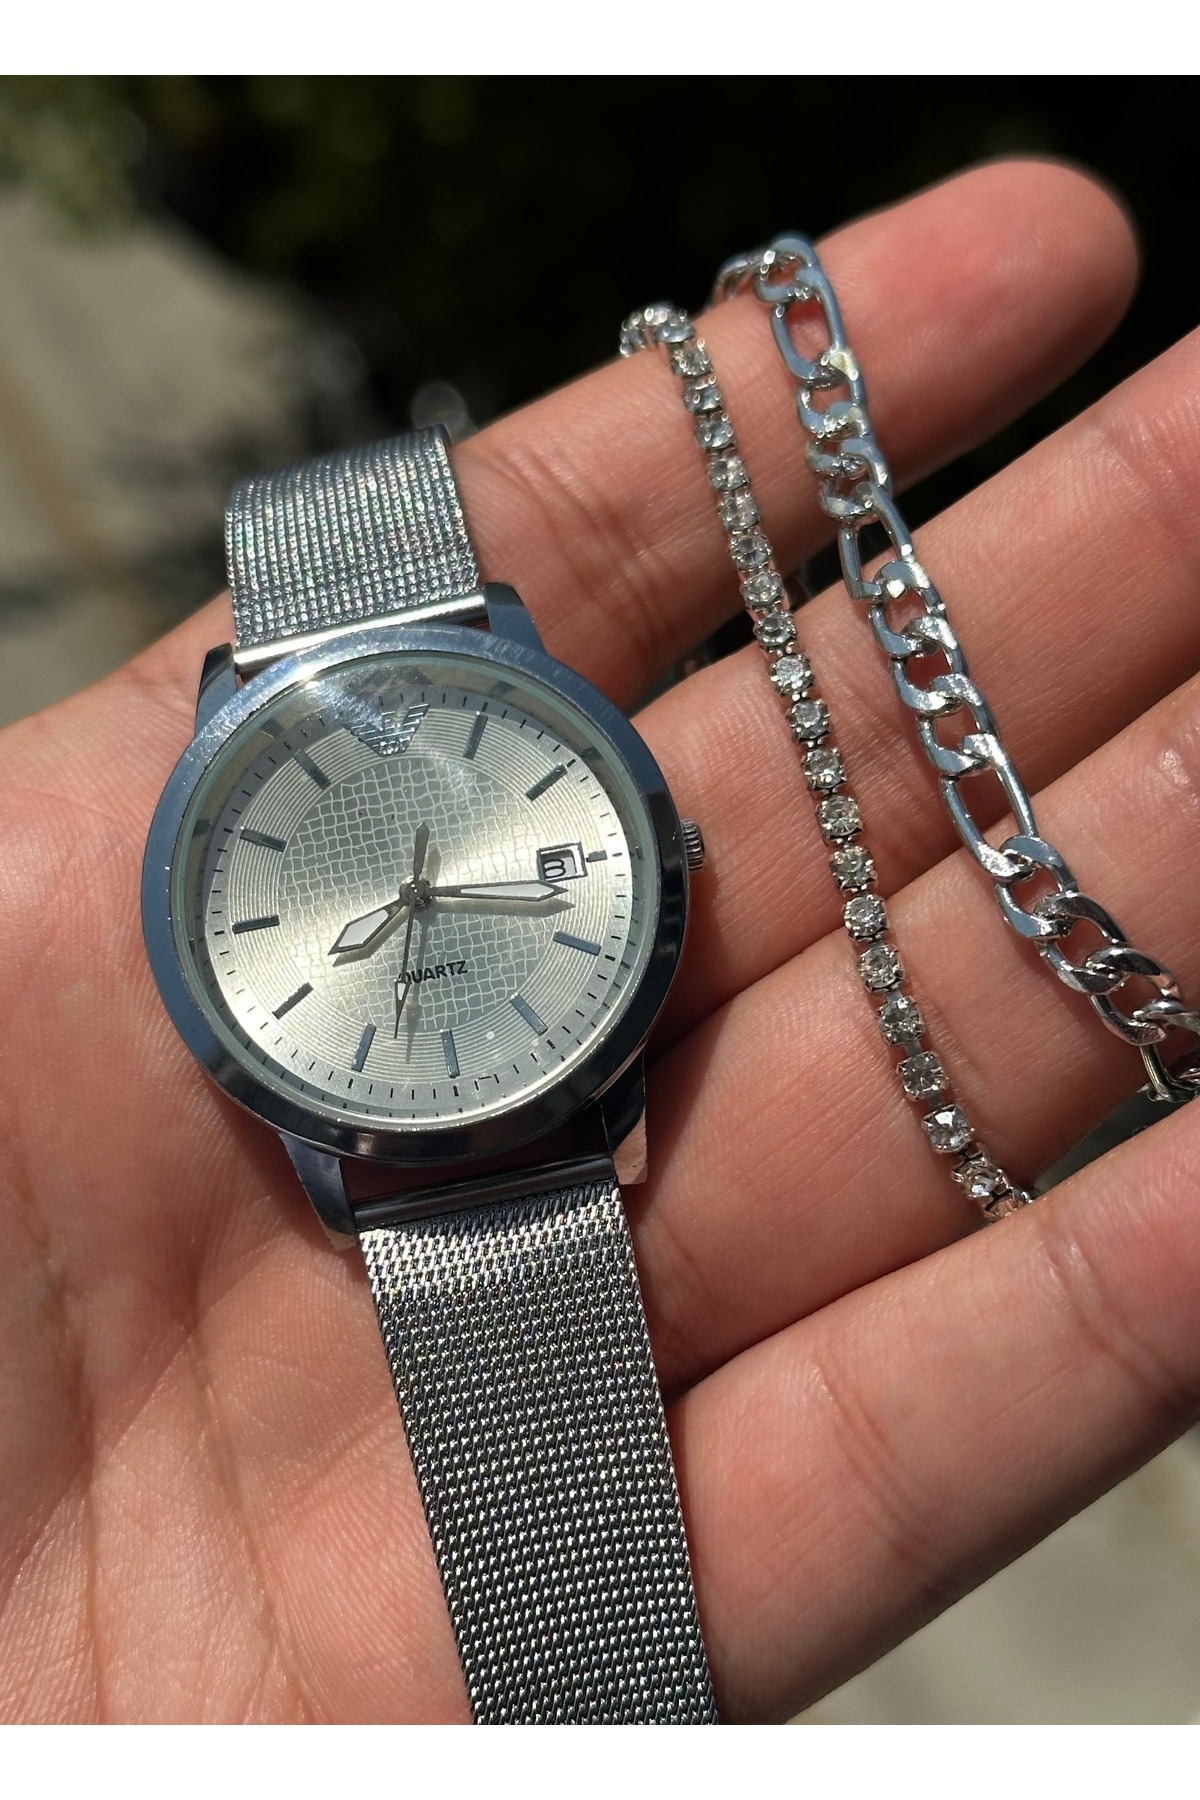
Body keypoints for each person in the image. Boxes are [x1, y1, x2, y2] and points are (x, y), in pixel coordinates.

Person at [0, 157, 1195, 1724]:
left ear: (658, 852)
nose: (423, 897)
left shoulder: (482, 696)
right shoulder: (303, 822)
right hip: (423, 1136)